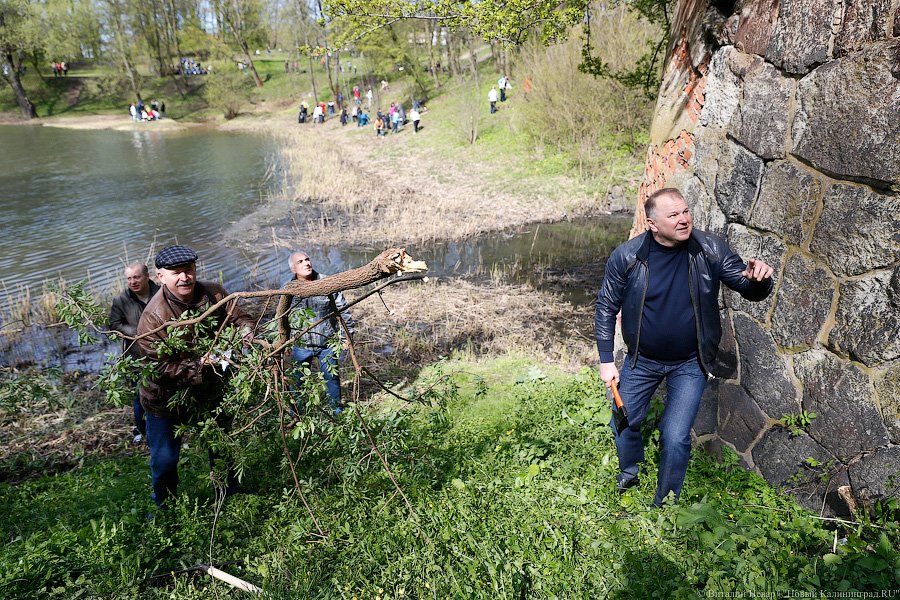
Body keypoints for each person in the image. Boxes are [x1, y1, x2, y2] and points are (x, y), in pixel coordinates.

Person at [594, 188, 774, 507]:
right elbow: (606, 307)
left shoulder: (709, 249)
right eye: (673, 215)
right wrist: (606, 360)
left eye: (686, 211)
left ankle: (665, 504)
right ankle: (629, 471)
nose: (683, 219)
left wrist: (759, 280)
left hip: (690, 363)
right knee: (623, 421)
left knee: (675, 436)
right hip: (641, 360)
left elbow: (748, 287)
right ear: (652, 224)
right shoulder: (627, 256)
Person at [137, 245, 255, 507]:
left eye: (188, 270)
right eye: (176, 273)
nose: (184, 278)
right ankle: (164, 506)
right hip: (165, 399)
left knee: (221, 446)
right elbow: (159, 368)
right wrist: (198, 364)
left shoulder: (214, 292)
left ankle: (228, 496)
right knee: (165, 459)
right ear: (160, 277)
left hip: (210, 390)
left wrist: (246, 332)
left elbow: (242, 317)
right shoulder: (152, 317)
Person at [284, 252, 354, 413]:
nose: (306, 263)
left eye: (307, 259)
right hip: (301, 346)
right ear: (294, 269)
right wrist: (284, 342)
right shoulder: (288, 289)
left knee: (332, 379)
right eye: (300, 262)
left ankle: (336, 412)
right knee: (298, 381)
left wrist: (346, 336)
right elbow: (282, 318)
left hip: (327, 344)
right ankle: (296, 414)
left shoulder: (327, 282)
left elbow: (343, 312)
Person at [109, 263, 160, 444]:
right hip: (135, 359)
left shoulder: (162, 293)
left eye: (136, 277)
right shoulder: (121, 300)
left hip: (163, 356)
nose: (133, 282)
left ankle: (171, 427)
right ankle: (141, 431)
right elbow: (114, 325)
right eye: (129, 278)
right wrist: (138, 332)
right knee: (139, 398)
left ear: (147, 276)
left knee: (165, 392)